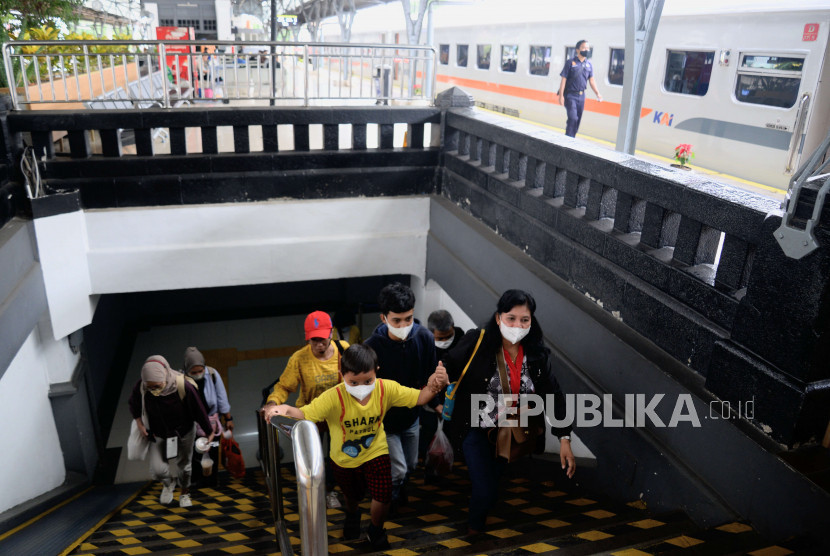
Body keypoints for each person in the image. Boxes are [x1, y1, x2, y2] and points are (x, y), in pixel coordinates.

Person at [268, 344, 449, 549]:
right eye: (353, 382)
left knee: (383, 493)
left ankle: (376, 530)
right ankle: (353, 514)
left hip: (376, 451)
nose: (361, 387)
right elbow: (305, 413)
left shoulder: (385, 388)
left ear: (376, 372)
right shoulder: (333, 397)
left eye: (368, 381)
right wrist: (283, 408)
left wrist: (434, 385)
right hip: (344, 460)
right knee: (352, 496)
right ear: (341, 374)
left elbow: (419, 397)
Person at [441, 289, 575, 534]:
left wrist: (564, 438)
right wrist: (440, 375)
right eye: (511, 318)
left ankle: (481, 513)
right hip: (475, 430)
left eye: (524, 319)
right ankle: (474, 529)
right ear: (498, 318)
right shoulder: (478, 341)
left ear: (531, 321)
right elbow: (450, 363)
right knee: (485, 489)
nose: (517, 325)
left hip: (510, 435)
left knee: (493, 485)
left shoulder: (536, 355)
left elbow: (553, 394)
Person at [262, 310, 348, 507]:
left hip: (337, 415)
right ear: (306, 338)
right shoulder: (299, 359)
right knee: (312, 458)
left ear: (331, 334)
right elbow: (284, 386)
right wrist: (273, 403)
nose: (319, 344)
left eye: (323, 339)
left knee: (337, 456)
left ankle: (332, 491)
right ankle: (315, 494)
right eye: (314, 340)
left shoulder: (344, 350)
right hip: (310, 417)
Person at [364, 283, 437, 510]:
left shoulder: (424, 337)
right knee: (398, 470)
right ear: (384, 318)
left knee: (412, 465)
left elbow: (429, 374)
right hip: (384, 423)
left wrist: (436, 402)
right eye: (397, 320)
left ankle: (398, 489)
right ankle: (388, 500)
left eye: (409, 319)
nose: (404, 325)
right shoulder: (371, 347)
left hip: (412, 418)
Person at [129, 355, 213, 508]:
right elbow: (134, 405)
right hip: (158, 434)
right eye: (151, 387)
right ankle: (169, 483)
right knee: (158, 469)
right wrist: (140, 425)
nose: (154, 390)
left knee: (184, 466)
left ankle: (185, 492)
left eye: (157, 386)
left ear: (166, 376)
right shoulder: (141, 386)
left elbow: (198, 411)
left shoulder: (183, 386)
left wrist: (209, 431)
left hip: (184, 432)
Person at [420, 310, 466, 468]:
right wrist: (436, 404)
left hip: (455, 396)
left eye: (448, 336)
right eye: (440, 338)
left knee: (453, 435)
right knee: (429, 434)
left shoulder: (462, 339)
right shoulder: (423, 344)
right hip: (431, 398)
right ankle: (430, 467)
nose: (445, 340)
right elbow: (423, 376)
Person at [183, 346, 233, 488]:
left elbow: (221, 398)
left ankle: (211, 481)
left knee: (212, 450)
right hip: (192, 424)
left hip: (212, 421)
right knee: (194, 453)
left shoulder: (211, 374)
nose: (198, 374)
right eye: (194, 372)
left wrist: (228, 419)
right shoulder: (181, 380)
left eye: (200, 370)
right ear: (187, 370)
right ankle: (196, 481)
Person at [557, 40, 603, 137]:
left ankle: (571, 138)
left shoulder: (589, 65)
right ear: (577, 50)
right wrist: (561, 96)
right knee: (573, 118)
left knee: (577, 120)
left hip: (581, 96)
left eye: (587, 48)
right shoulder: (570, 63)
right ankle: (568, 140)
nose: (586, 50)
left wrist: (597, 93)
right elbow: (563, 79)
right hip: (570, 95)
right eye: (584, 48)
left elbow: (592, 81)